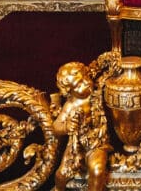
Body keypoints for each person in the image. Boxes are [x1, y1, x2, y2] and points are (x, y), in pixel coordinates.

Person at [53, 62, 111, 191]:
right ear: (69, 90)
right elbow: (56, 126)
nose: (86, 84)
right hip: (76, 147)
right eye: (79, 85)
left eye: (86, 78)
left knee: (97, 170)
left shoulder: (98, 94)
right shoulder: (71, 105)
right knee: (61, 175)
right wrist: (66, 126)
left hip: (96, 143)